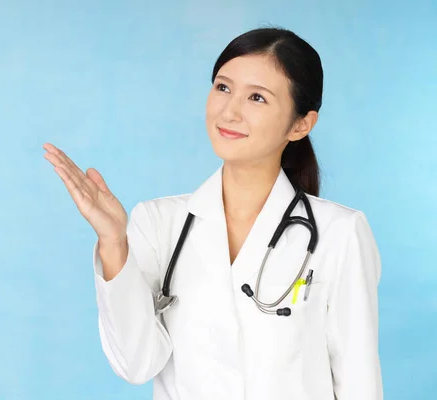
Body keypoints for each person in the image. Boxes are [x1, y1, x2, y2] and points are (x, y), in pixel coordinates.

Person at [43, 27, 382, 400]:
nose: (229, 111)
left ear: (301, 124)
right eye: (223, 87)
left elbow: (359, 383)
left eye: (257, 97)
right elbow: (137, 364)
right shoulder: (159, 223)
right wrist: (112, 243)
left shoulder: (340, 233)